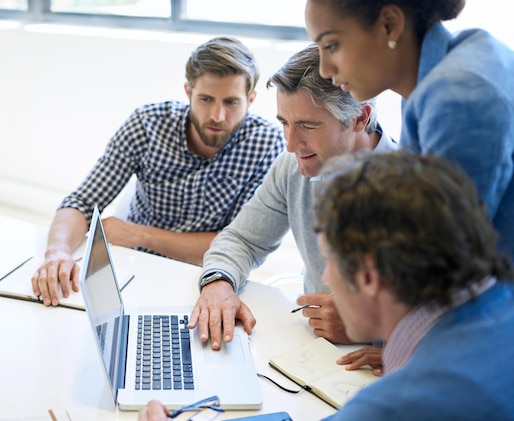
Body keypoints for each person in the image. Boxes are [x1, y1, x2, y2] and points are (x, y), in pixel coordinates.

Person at [138, 150, 514, 421]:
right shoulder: (498, 308)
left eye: (330, 259)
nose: (325, 275)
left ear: (368, 277)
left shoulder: (398, 402)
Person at [32, 36, 285, 306]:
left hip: (205, 277)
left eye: (231, 102)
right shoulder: (147, 124)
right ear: (188, 92)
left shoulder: (267, 144)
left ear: (251, 98)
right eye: (206, 99)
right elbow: (82, 202)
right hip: (132, 265)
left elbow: (234, 244)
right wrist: (57, 253)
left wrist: (139, 235)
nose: (217, 115)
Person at [188, 44, 397, 356]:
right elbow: (242, 239)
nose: (290, 144)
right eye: (285, 122)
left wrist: (371, 327)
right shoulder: (297, 165)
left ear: (359, 119)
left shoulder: (412, 190)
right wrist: (218, 282)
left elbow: (452, 318)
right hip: (315, 349)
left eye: (308, 126)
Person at [305, 0, 514, 261]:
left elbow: (446, 249)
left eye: (332, 45)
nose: (325, 70)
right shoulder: (434, 75)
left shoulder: (458, 96)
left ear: (389, 25)